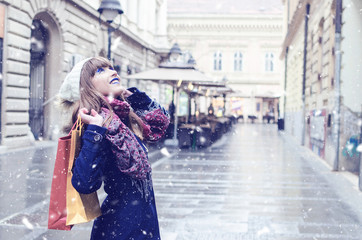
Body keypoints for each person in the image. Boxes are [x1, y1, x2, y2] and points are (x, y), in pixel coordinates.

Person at [58, 57, 170, 239]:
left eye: (111, 68)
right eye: (100, 71)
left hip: (144, 223)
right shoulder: (96, 122)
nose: (113, 71)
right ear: (86, 87)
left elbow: (159, 123)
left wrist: (134, 97)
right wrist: (95, 131)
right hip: (119, 228)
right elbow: (84, 183)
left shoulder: (123, 116)